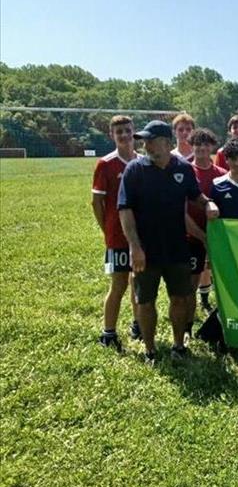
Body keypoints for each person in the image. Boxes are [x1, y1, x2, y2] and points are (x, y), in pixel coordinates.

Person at [118, 120, 218, 364]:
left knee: (181, 298)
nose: (147, 146)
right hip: (146, 250)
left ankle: (178, 345)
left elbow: (195, 196)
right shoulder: (135, 170)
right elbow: (125, 210)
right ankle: (150, 349)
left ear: (166, 143)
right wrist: (135, 247)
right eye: (145, 142)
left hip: (177, 248)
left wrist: (208, 204)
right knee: (146, 301)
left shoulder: (183, 169)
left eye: (151, 141)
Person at [91, 115, 140, 350]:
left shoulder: (142, 161)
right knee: (118, 285)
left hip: (141, 237)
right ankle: (108, 333)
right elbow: (96, 203)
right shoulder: (105, 164)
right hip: (117, 238)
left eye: (127, 130)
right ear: (112, 135)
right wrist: (107, 231)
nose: (123, 135)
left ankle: (138, 324)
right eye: (118, 131)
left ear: (134, 132)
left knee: (138, 282)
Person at [184, 128, 226, 320]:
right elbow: (181, 211)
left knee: (224, 281)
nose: (201, 147)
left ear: (212, 146)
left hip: (218, 237)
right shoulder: (184, 172)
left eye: (205, 143)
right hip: (191, 236)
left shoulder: (222, 174)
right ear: (191, 146)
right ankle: (188, 323)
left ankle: (225, 319)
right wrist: (202, 237)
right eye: (197, 144)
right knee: (189, 284)